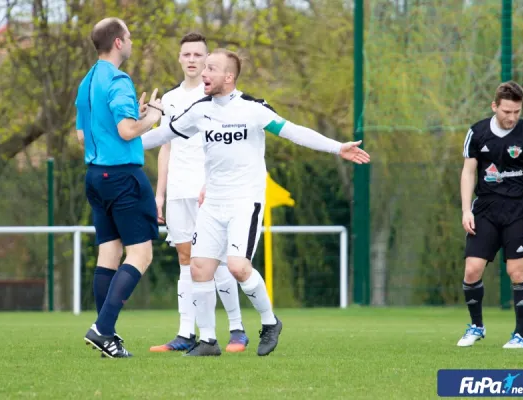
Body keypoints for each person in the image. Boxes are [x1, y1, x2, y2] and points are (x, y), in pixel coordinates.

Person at [140, 49, 370, 356]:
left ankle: (269, 321)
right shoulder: (199, 111)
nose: (204, 73)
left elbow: (294, 132)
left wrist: (337, 147)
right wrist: (116, 145)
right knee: (199, 268)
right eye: (204, 68)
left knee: (236, 267)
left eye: (211, 68)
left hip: (244, 202)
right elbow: (161, 136)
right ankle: (208, 340)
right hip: (212, 203)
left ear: (229, 77)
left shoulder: (253, 109)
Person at [150, 33, 249, 353]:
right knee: (185, 260)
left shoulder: (218, 98)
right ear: (179, 59)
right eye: (187, 54)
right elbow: (165, 146)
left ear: (208, 63)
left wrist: (213, 182)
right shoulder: (168, 100)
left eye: (199, 56)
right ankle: (185, 333)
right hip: (178, 190)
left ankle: (237, 329)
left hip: (211, 191)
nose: (192, 60)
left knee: (217, 263)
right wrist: (159, 194)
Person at [75, 17, 164, 358]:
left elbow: (83, 134)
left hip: (95, 177)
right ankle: (103, 329)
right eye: (129, 35)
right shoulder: (119, 79)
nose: (131, 41)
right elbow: (128, 131)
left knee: (109, 253)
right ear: (117, 42)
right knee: (141, 254)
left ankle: (105, 337)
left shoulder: (87, 82)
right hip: (123, 177)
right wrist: (151, 117)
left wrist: (134, 117)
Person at [458, 81, 523, 349]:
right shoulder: (477, 133)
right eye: (506, 112)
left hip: (519, 208)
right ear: (495, 106)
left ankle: (519, 336)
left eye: (516, 112)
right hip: (486, 208)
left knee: (516, 272)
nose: (512, 117)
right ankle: (476, 327)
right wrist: (467, 209)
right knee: (472, 270)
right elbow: (468, 172)